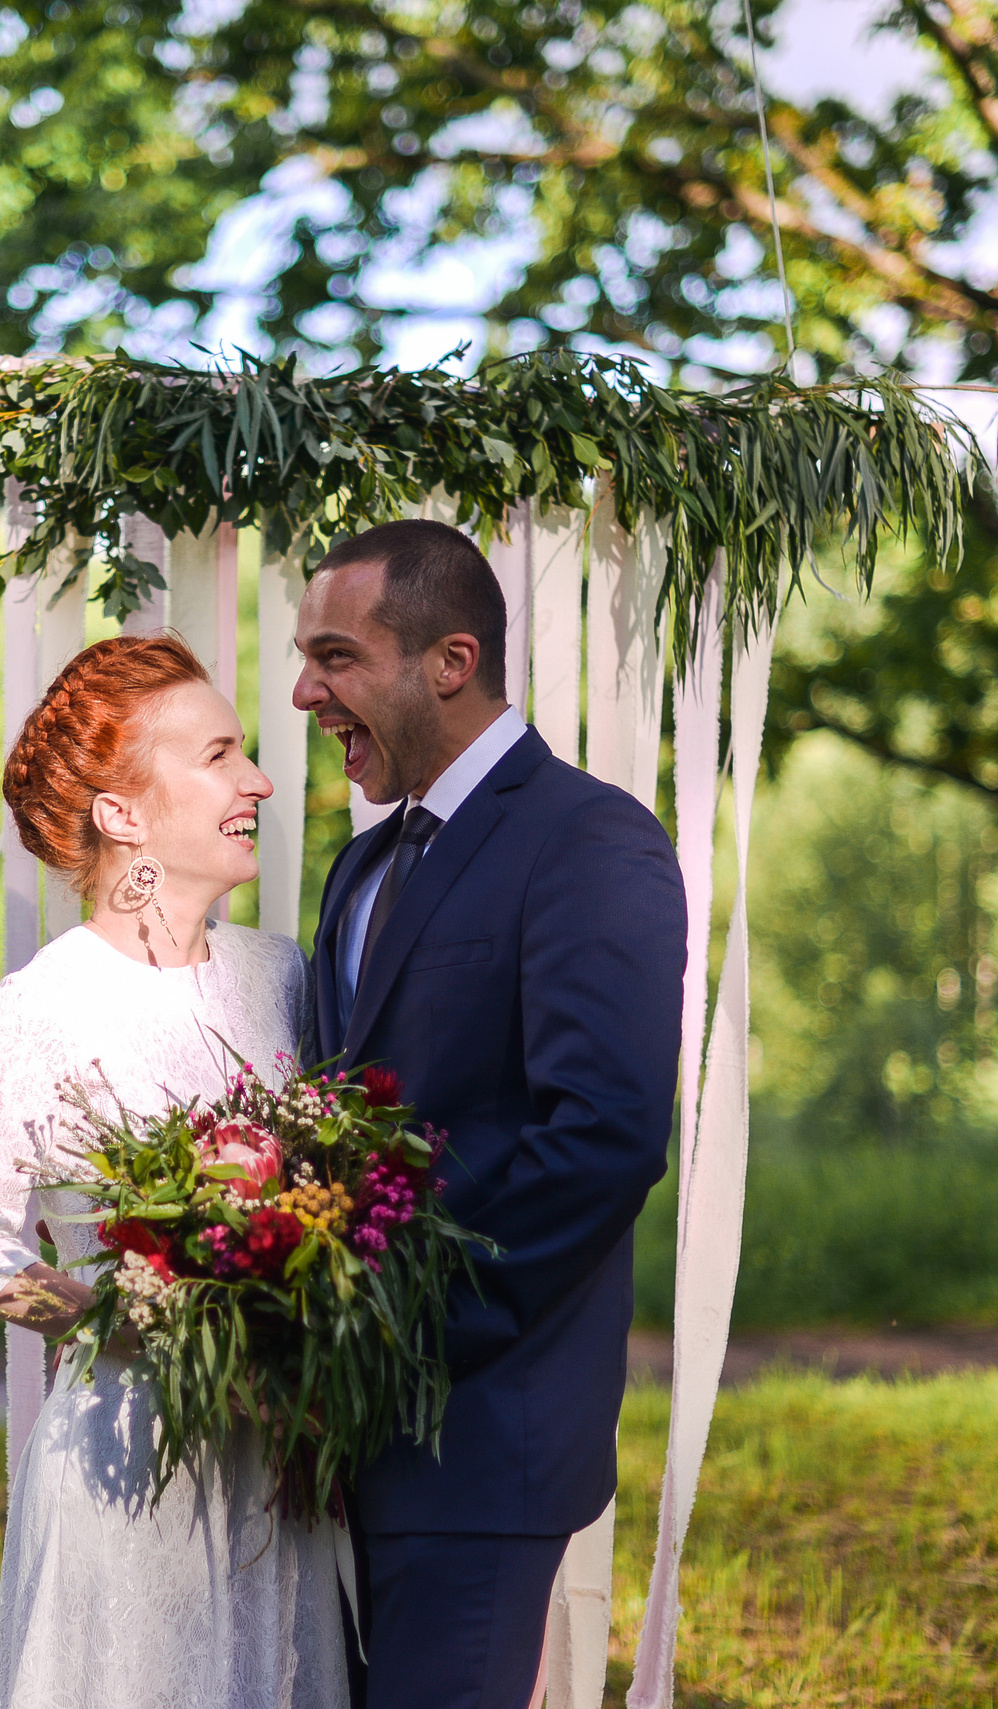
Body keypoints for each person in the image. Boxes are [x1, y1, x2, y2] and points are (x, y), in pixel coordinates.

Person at [294, 519, 686, 1709]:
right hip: (341, 1442)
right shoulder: (361, 866)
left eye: (335, 657)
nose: (306, 692)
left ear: (449, 662)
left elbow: (604, 1135)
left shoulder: (587, 837)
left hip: (479, 1424)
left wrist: (406, 1333)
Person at [0, 633, 347, 1709]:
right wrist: (131, 1324)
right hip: (125, 1460)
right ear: (122, 812)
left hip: (278, 1461)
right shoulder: (43, 1007)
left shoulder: (280, 973)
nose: (258, 780)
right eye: (219, 755)